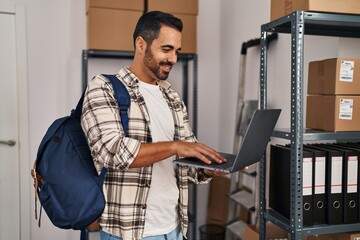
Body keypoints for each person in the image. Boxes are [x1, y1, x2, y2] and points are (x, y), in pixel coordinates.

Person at [81, 11, 227, 240]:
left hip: (174, 228)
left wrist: (207, 168)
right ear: (141, 44)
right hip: (128, 232)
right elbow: (112, 151)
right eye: (166, 49)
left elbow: (184, 159)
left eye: (177, 51)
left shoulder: (172, 96)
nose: (174, 59)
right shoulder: (103, 87)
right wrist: (176, 147)